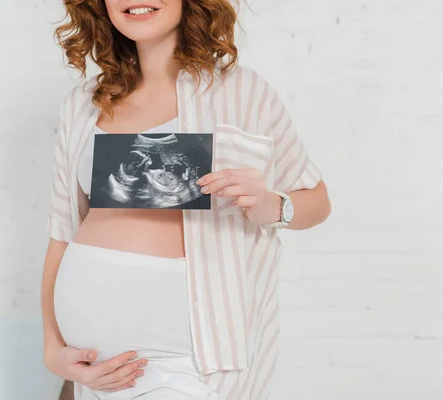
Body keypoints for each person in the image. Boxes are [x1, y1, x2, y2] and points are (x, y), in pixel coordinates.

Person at [40, 1, 331, 399]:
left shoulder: (242, 92)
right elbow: (62, 231)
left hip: (190, 355)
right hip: (93, 366)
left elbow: (317, 201)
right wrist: (53, 349)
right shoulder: (83, 103)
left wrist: (270, 205)